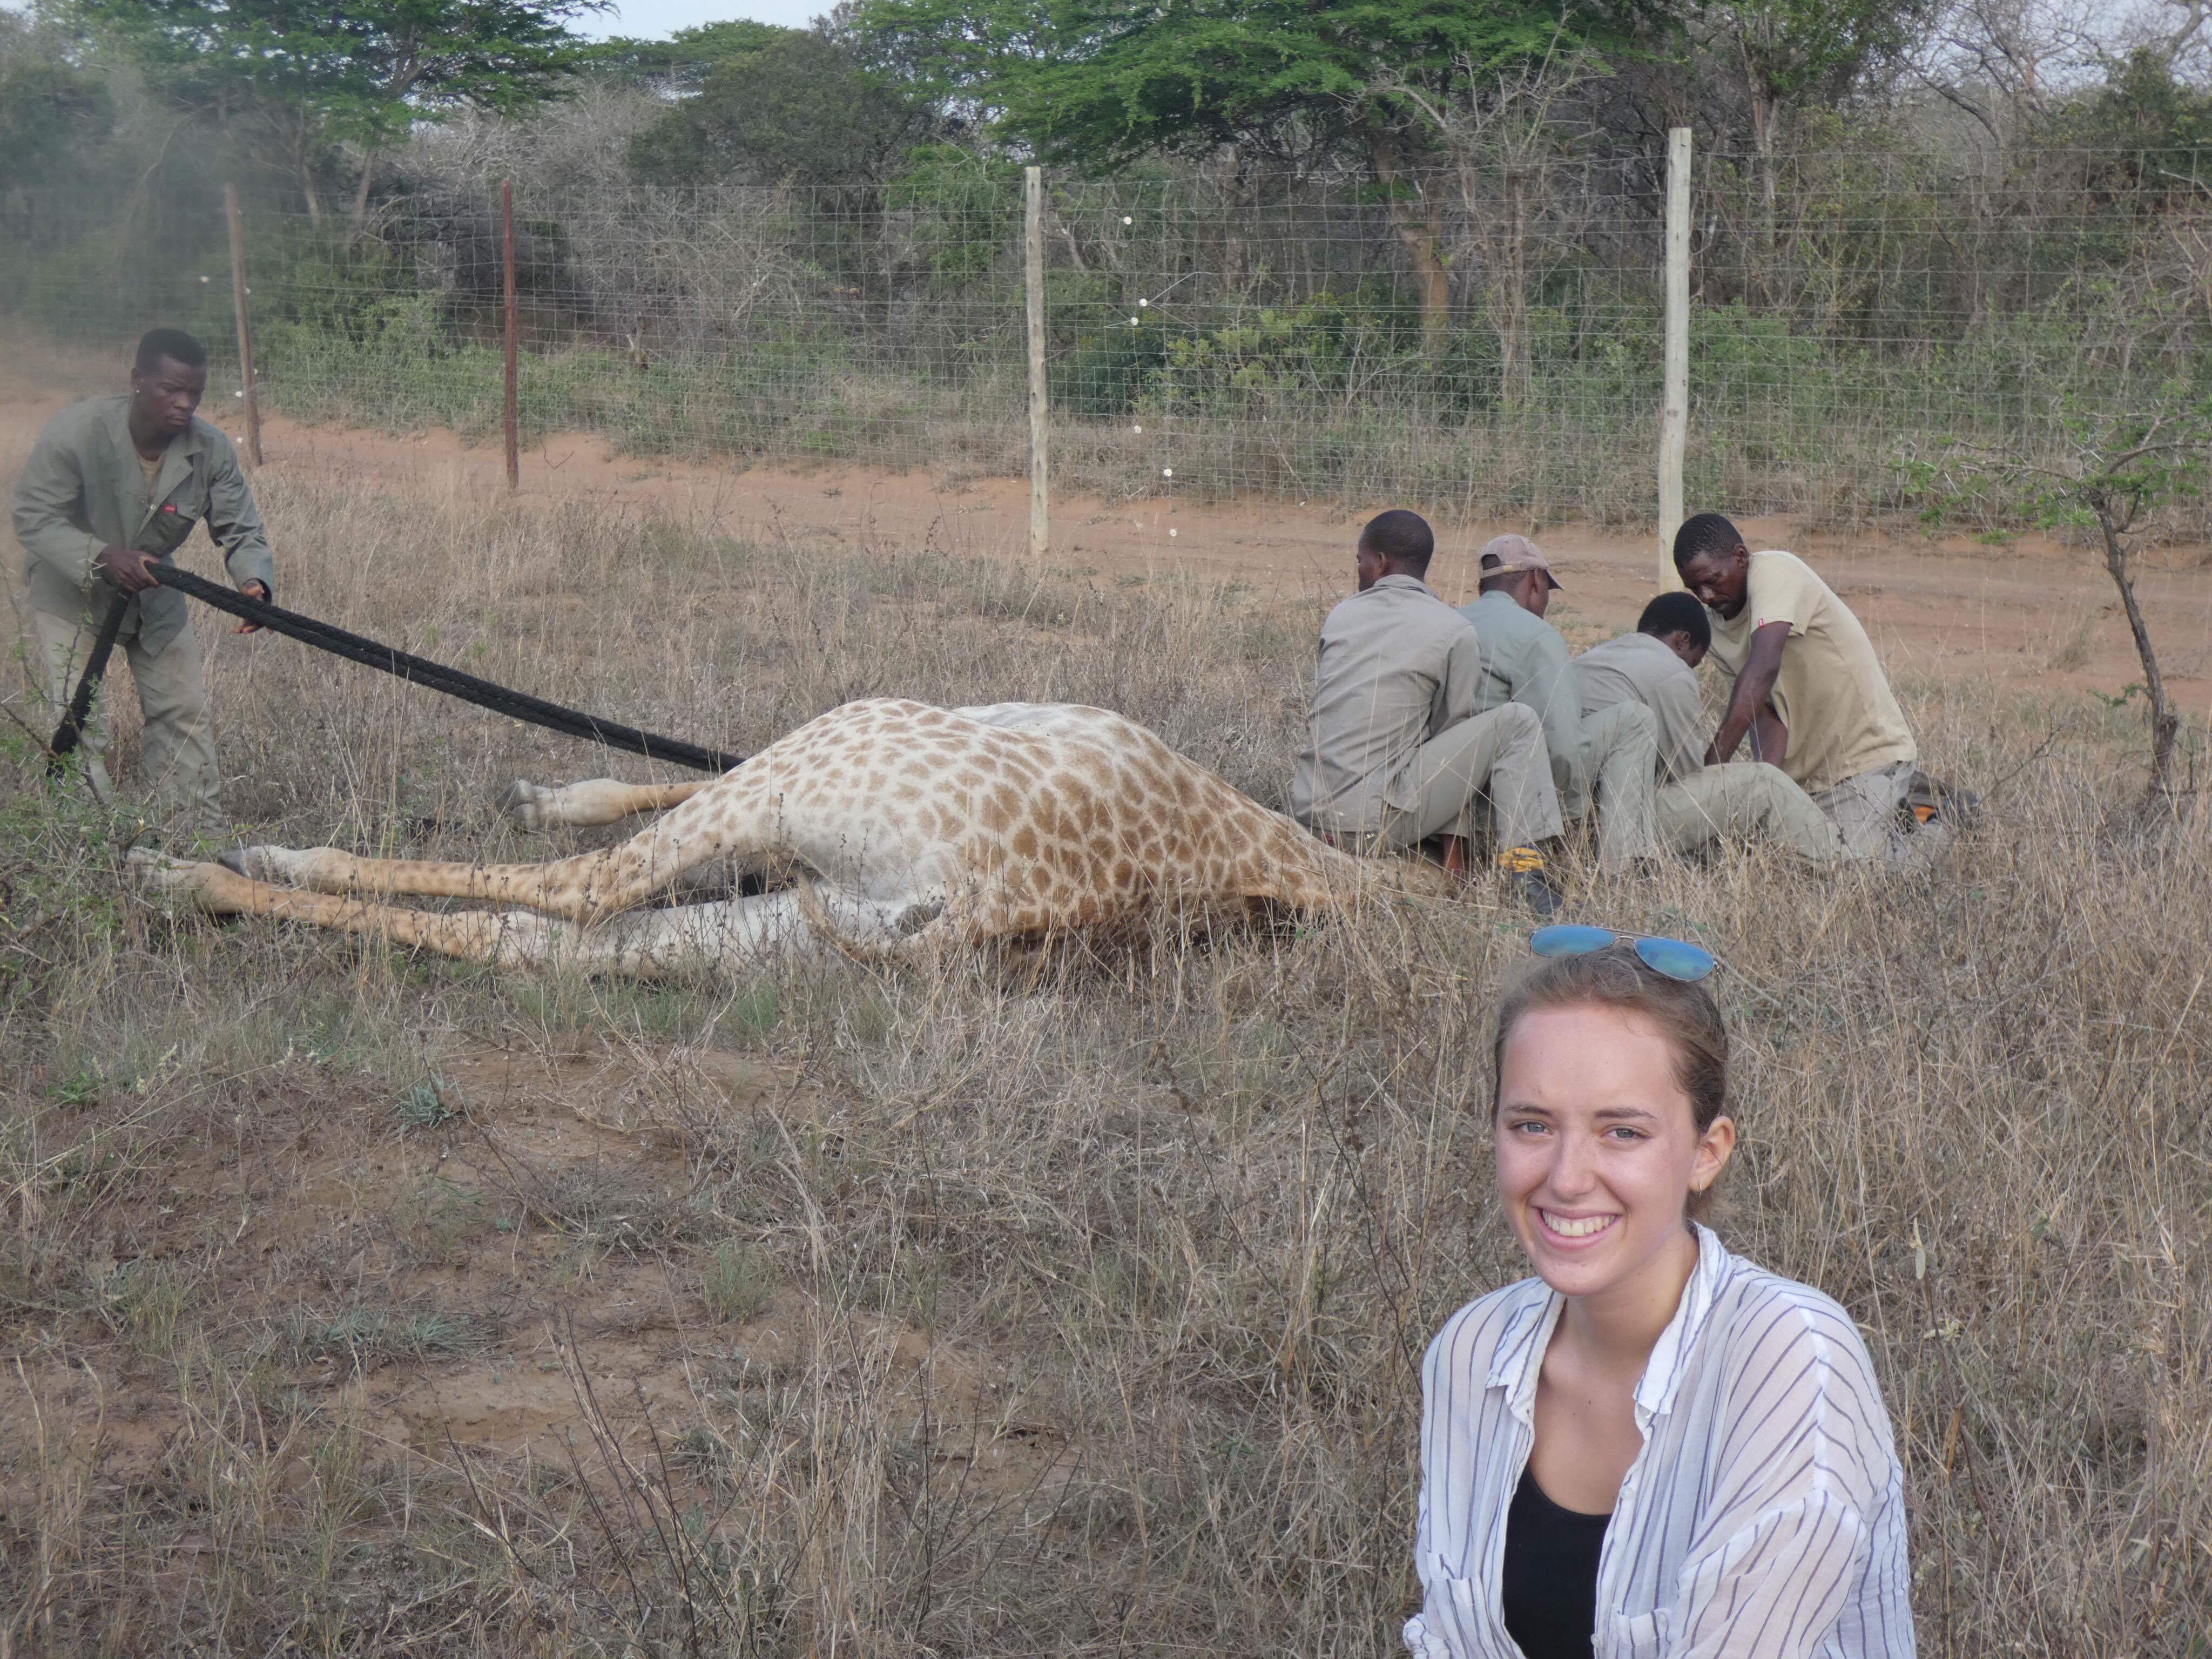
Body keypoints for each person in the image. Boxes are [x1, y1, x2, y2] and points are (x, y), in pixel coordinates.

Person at [1405, 932, 1914, 1659]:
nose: (1568, 1176)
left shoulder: (1790, 1358)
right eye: (1532, 1125)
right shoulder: (1469, 1352)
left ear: (1707, 1153)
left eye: (1622, 1132)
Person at [13, 327, 275, 839]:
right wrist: (101, 556)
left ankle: (194, 846)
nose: (184, 405)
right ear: (137, 380)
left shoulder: (210, 449)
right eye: (170, 391)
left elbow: (241, 529)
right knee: (81, 718)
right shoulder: (78, 431)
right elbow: (32, 516)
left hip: (155, 593)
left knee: (184, 713)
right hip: (72, 592)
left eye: (194, 394)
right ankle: (93, 853)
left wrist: (255, 585)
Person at [1290, 509, 1566, 910]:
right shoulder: (1452, 630)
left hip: (1307, 816)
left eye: (1360, 562)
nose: (1359, 571)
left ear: (1380, 563)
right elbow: (1450, 743)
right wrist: (1456, 859)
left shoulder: (1341, 615)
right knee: (1518, 722)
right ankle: (1527, 878)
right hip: (1368, 827)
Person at [1672, 514, 1928, 861]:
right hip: (1808, 779)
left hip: (1866, 757)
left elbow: (1763, 667)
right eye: (1695, 589)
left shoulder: (1777, 572)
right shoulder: (1717, 629)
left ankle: (1935, 816)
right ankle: (1909, 806)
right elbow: (1765, 714)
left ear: (1740, 557)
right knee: (1779, 859)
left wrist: (1710, 770)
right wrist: (1771, 784)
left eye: (1714, 580)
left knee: (1852, 869)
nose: (1706, 596)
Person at [1574, 592, 1843, 862]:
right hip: (1618, 822)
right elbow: (1687, 779)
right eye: (1694, 662)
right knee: (1765, 782)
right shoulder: (1672, 671)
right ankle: (1842, 862)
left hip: (1572, 817)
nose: (1690, 668)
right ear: (1683, 641)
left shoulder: (1594, 657)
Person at [1458, 536, 1657, 871]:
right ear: (1536, 580)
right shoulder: (1535, 635)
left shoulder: (1454, 621)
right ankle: (1621, 868)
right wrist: (1572, 816)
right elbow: (1563, 747)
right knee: (1634, 720)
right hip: (1508, 811)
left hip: (1456, 806)